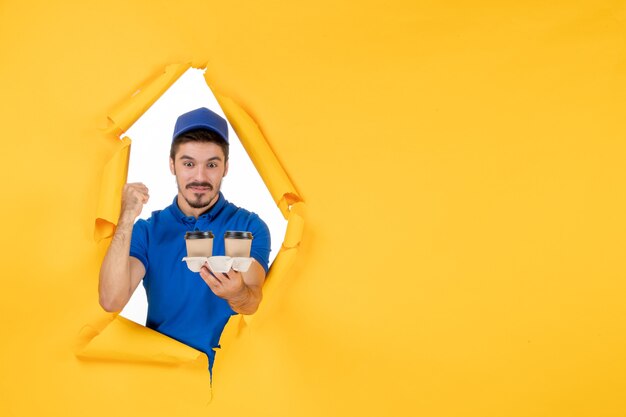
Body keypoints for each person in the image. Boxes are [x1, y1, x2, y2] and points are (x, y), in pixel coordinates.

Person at [98, 107, 271, 371]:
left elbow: (253, 301)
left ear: (225, 167)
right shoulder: (147, 230)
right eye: (189, 163)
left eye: (211, 164)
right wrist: (126, 218)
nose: (200, 177)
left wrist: (237, 294)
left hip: (234, 377)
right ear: (172, 164)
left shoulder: (249, 226)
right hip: (166, 377)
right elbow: (111, 300)